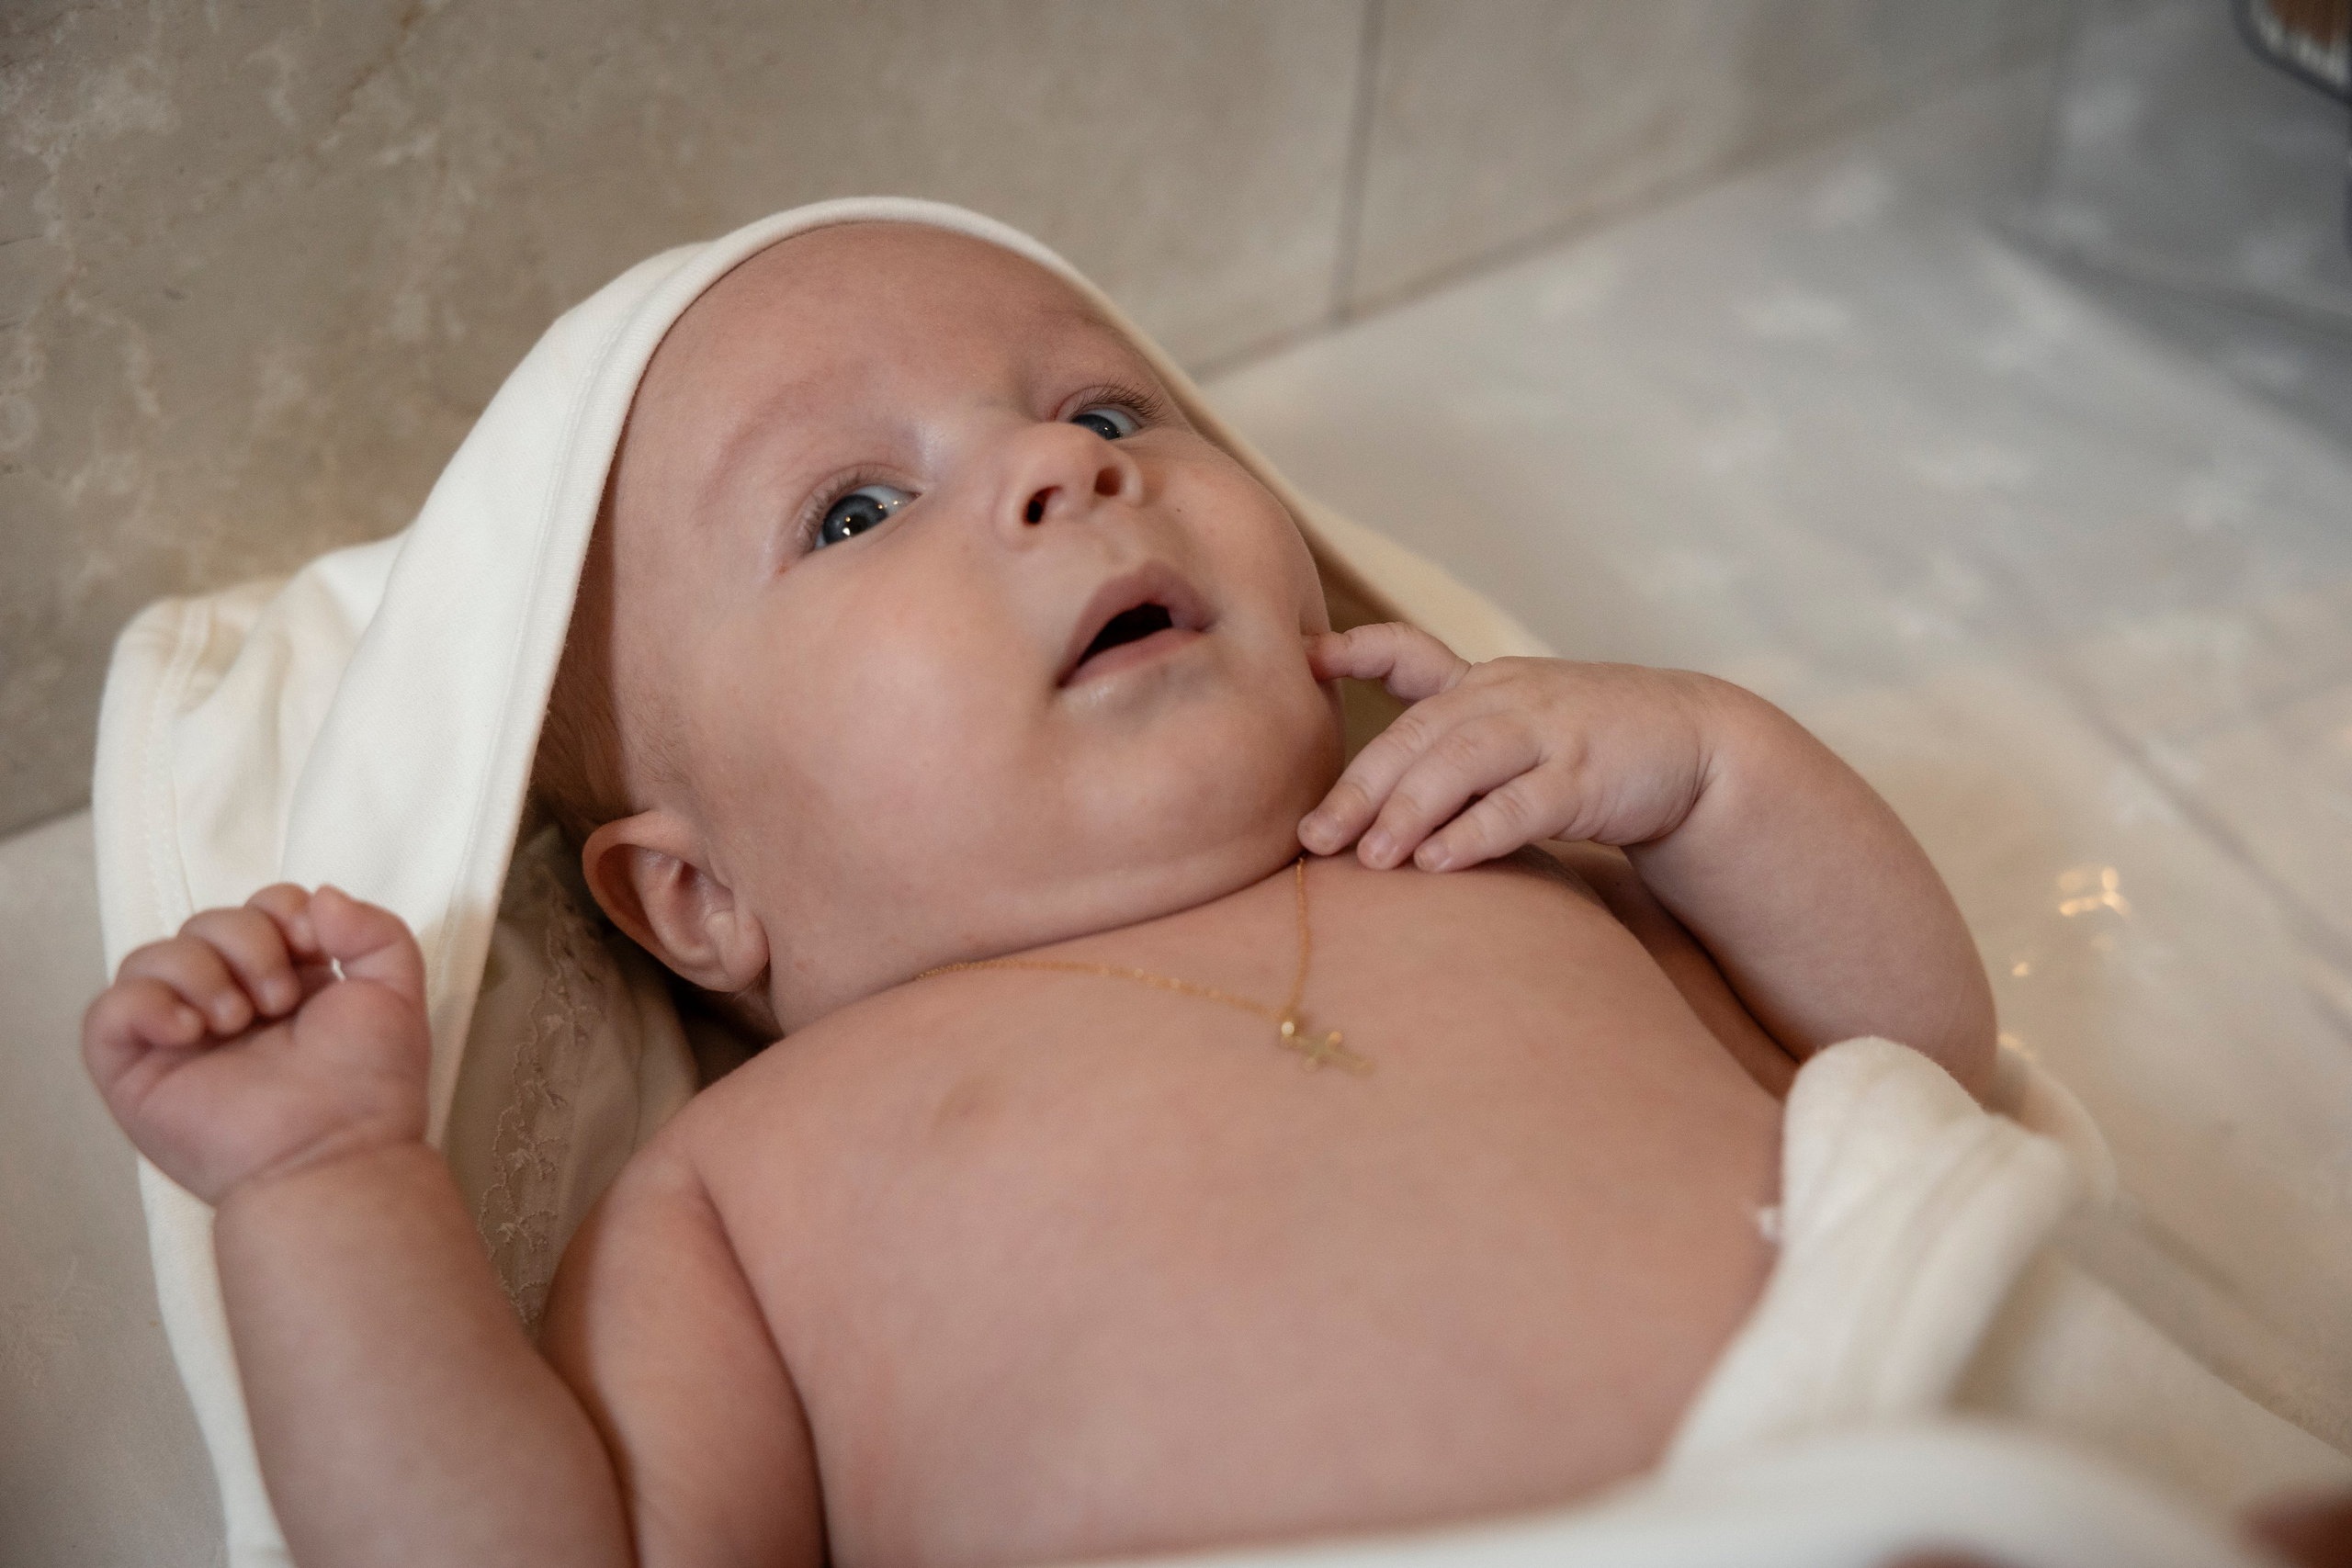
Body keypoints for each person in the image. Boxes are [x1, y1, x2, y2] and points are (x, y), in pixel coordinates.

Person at [89, 219, 2051, 1568]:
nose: (1056, 466)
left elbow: (1909, 1067)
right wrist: (326, 1182)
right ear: (693, 900)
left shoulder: (1496, 852)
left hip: (1894, 1463)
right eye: (853, 508)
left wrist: (1709, 767)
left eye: (1107, 412)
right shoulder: (750, 1180)